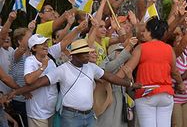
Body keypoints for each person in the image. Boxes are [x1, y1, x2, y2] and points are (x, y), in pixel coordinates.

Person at [2, 39, 140, 127]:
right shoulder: (62, 69)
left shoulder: (92, 67)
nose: (87, 56)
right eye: (84, 54)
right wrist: (16, 92)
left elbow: (110, 77)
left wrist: (131, 85)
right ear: (75, 56)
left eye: (87, 52)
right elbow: (38, 83)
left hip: (90, 115)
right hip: (71, 117)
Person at [118, 18, 181, 127]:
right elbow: (175, 72)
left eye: (145, 30)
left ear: (150, 32)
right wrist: (181, 83)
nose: (143, 33)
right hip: (166, 94)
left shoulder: (141, 48)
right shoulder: (169, 49)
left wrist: (111, 79)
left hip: (146, 94)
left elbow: (127, 68)